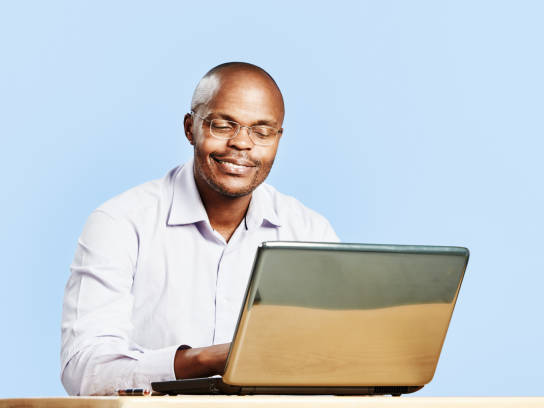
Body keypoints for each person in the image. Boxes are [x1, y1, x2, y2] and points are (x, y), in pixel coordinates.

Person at [60, 62, 339, 396]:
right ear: (190, 128)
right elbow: (84, 369)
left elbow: (335, 358)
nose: (242, 144)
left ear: (278, 139)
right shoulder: (120, 223)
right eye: (223, 126)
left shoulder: (309, 232)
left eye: (262, 132)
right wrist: (209, 359)